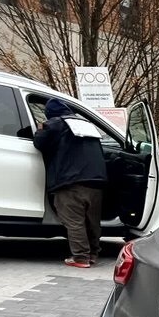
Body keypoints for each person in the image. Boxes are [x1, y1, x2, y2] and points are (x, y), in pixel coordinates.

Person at [33, 98, 108, 268]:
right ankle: (93, 254)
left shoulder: (55, 124)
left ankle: (80, 258)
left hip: (71, 181)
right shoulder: (86, 125)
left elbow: (39, 143)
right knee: (92, 221)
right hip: (96, 181)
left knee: (74, 221)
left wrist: (40, 129)